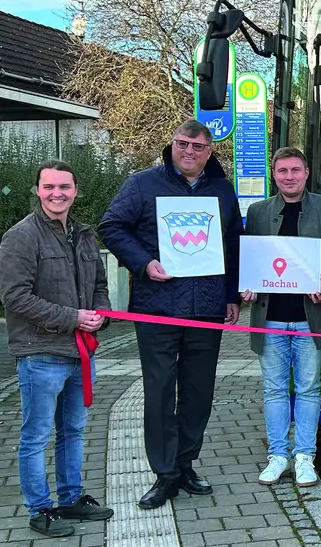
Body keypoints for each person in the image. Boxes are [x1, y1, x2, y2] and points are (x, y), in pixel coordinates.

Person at [99, 121, 242, 511]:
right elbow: (111, 226)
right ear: (172, 145)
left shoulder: (222, 190)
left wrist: (231, 295)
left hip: (206, 308)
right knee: (160, 391)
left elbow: (233, 243)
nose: (189, 151)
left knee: (198, 392)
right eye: (183, 143)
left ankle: (185, 464)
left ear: (209, 151)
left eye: (198, 146)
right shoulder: (142, 184)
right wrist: (144, 263)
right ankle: (164, 474)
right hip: (158, 307)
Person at [0, 160, 115, 537]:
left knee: (73, 430)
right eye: (49, 187)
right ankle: (40, 509)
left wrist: (100, 315)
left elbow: (98, 285)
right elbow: (15, 297)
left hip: (80, 352)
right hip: (40, 352)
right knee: (36, 435)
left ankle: (71, 498)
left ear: (75, 191)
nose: (57, 193)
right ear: (37, 190)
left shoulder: (84, 234)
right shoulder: (21, 237)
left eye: (64, 186)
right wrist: (72, 317)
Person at [242, 147, 321, 487]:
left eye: (295, 170)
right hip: (270, 316)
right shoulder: (258, 212)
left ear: (306, 173)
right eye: (282, 171)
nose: (289, 177)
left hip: (310, 317)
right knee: (274, 390)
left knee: (308, 389)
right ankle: (277, 455)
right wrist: (248, 285)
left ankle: (304, 457)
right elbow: (250, 258)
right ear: (274, 175)